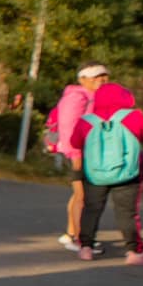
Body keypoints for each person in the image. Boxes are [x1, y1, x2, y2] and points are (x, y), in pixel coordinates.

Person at [67, 71, 143, 263]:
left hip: (94, 174)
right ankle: (134, 252)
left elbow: (75, 142)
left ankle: (86, 247)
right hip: (128, 173)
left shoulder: (87, 120)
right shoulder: (134, 116)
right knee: (127, 213)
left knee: (91, 209)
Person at [49, 77, 95, 250]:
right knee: (82, 196)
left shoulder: (83, 96)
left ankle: (71, 234)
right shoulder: (77, 97)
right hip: (77, 153)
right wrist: (75, 153)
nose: (102, 81)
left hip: (81, 152)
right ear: (84, 78)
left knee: (79, 195)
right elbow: (70, 128)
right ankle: (77, 237)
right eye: (98, 77)